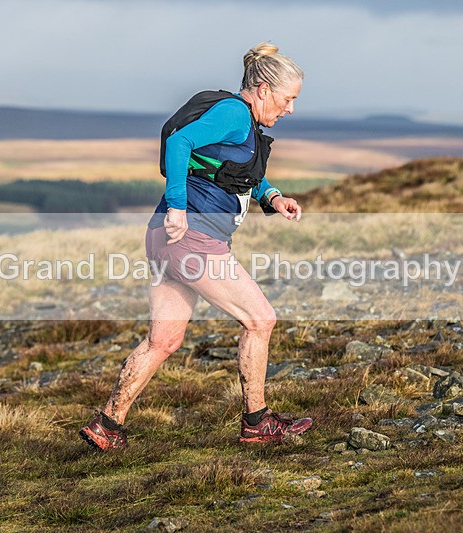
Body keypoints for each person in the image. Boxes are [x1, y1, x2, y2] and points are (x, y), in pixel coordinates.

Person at [80, 42, 312, 451]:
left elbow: (235, 174)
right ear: (262, 89)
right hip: (191, 239)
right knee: (261, 320)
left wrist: (273, 197)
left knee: (163, 340)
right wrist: (177, 207)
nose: (290, 109)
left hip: (167, 240)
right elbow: (180, 144)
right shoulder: (233, 114)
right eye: (287, 98)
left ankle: (108, 425)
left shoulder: (244, 124)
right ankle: (257, 423)